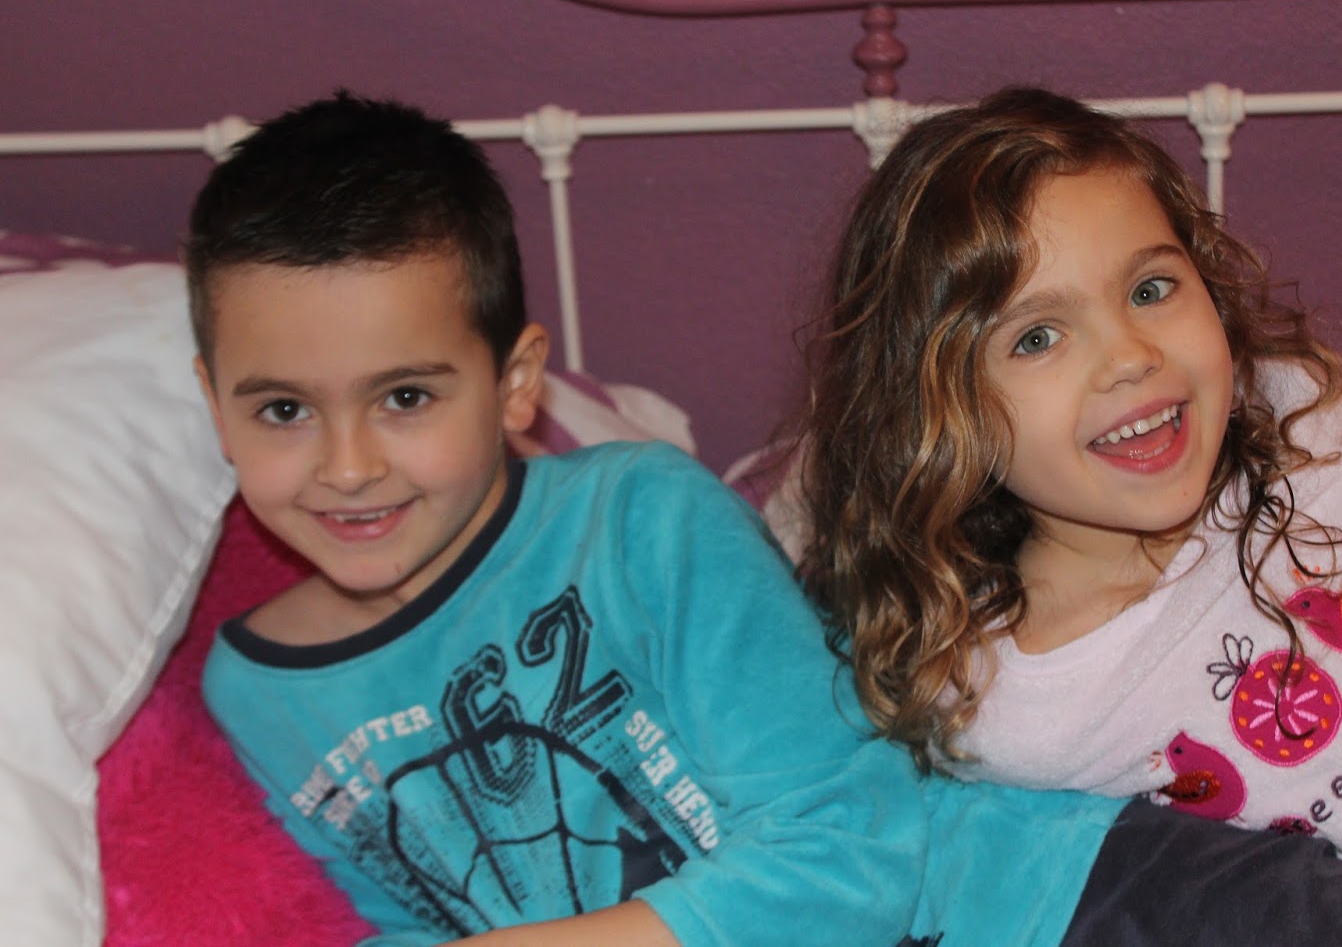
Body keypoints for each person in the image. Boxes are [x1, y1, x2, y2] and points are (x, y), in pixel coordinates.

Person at [798, 86, 1342, 920]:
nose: (1130, 356)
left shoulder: (1299, 411)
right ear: (935, 412)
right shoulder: (1021, 703)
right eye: (1037, 337)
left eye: (1150, 289)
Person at [184, 91, 928, 947]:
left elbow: (853, 852)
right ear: (216, 407)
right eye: (283, 410)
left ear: (515, 385)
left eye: (405, 397)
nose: (348, 469)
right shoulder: (260, 692)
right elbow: (383, 924)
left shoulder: (644, 524)